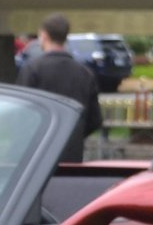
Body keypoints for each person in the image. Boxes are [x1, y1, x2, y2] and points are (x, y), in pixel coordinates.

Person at [17, 12, 103, 162]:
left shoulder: (32, 69)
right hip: (72, 152)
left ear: (43, 35)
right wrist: (75, 134)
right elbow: (95, 120)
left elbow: (22, 115)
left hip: (38, 154)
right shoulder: (85, 73)